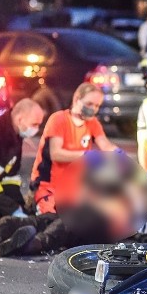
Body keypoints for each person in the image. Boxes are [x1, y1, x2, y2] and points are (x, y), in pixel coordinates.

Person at [0, 150, 147, 257]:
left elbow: (120, 215)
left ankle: (33, 244)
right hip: (84, 218)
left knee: (65, 226)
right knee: (44, 219)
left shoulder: (136, 192)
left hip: (99, 230)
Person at [30, 83, 119, 215]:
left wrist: (120, 157)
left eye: (97, 106)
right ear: (77, 99)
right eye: (89, 104)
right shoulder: (59, 119)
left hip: (73, 189)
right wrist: (86, 155)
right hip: (48, 186)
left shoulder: (92, 123)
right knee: (51, 222)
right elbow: (56, 154)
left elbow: (105, 145)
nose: (93, 109)